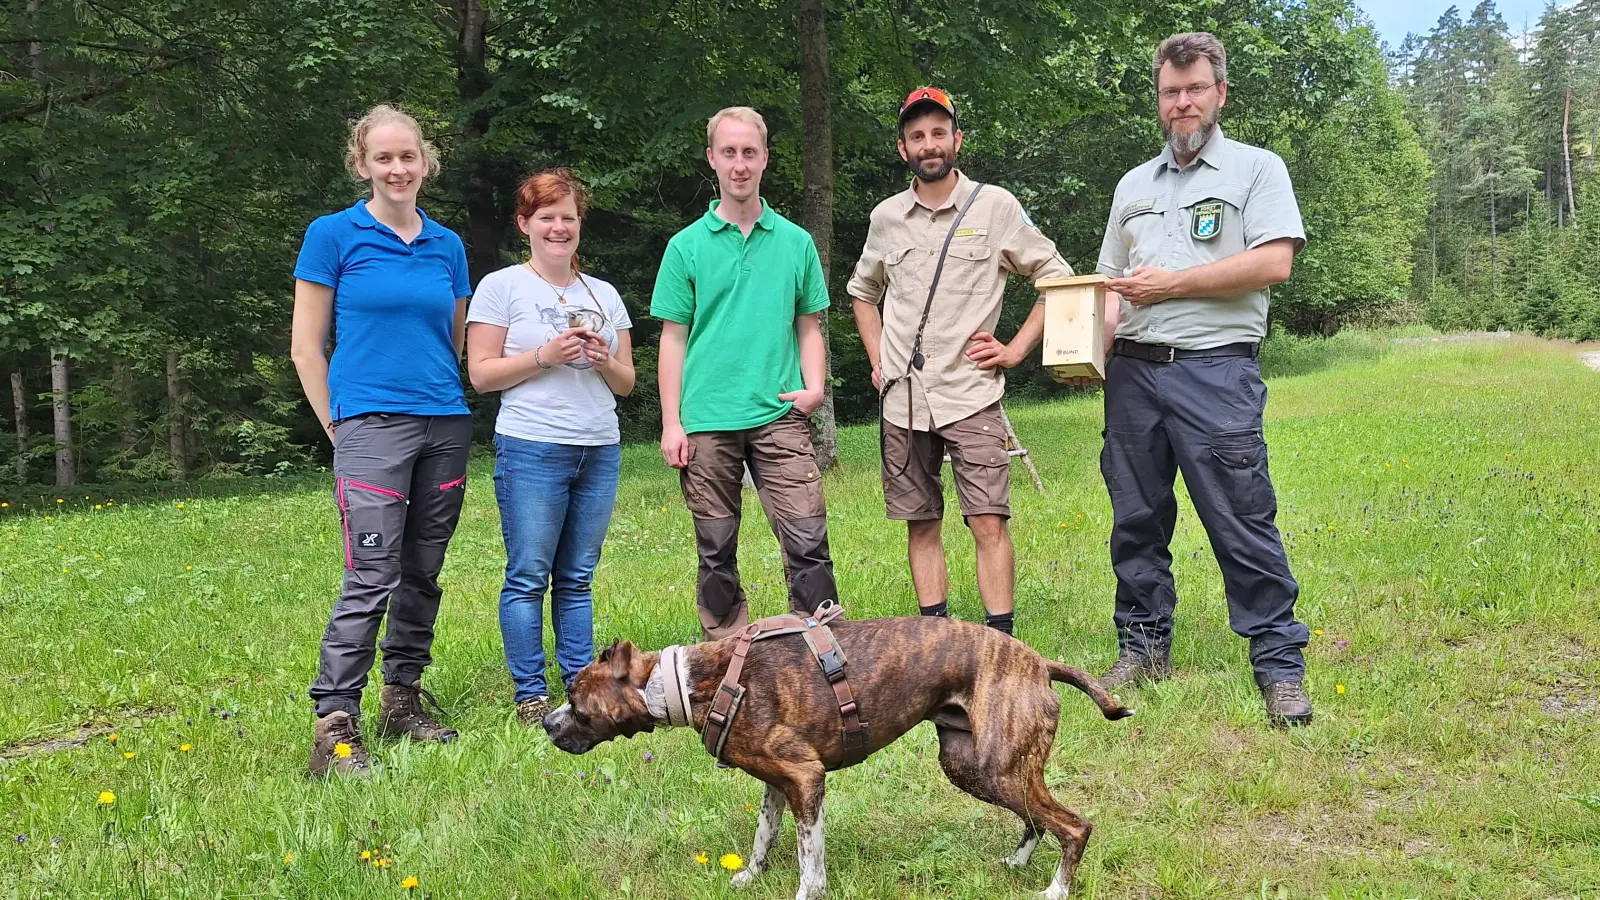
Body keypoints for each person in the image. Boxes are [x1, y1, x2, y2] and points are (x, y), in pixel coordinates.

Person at [1094, 33, 1312, 726]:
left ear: (1219, 92)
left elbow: (1273, 262)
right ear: (1158, 100)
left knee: (1241, 518)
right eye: (1170, 91)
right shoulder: (1132, 185)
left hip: (1216, 371)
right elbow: (1111, 286)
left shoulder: (1257, 170)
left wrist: (1171, 288)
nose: (1182, 102)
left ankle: (1278, 664)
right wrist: (1089, 351)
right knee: (1136, 519)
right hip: (1133, 375)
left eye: (1194, 89)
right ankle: (1143, 646)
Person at [848, 87, 1074, 636]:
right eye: (917, 136)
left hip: (972, 394)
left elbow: (1058, 277)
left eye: (938, 133)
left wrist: (1015, 350)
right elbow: (862, 292)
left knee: (987, 520)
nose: (929, 145)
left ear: (957, 140)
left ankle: (1000, 639)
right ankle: (934, 639)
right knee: (920, 522)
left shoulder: (995, 207)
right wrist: (879, 361)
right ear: (903, 149)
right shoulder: (886, 218)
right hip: (903, 401)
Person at [290, 105, 473, 777]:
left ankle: (402, 700)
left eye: (408, 157)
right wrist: (337, 427)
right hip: (369, 426)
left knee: (422, 572)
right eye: (383, 158)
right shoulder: (333, 235)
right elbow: (306, 347)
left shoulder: (447, 245)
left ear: (426, 162)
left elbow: (451, 337)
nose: (398, 169)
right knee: (371, 574)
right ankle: (335, 728)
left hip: (443, 423)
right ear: (362, 165)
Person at [652, 106, 836, 640]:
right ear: (712, 159)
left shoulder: (795, 242)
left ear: (764, 160)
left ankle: (823, 647)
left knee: (807, 538)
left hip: (779, 412)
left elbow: (808, 325)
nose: (739, 164)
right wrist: (671, 422)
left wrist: (815, 388)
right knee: (716, 548)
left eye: (749, 152)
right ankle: (726, 653)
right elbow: (673, 338)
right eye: (728, 152)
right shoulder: (685, 246)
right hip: (706, 418)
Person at [466, 168, 634, 725]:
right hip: (532, 445)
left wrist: (600, 357)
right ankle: (529, 693)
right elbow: (482, 374)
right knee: (528, 575)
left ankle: (580, 686)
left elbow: (627, 382)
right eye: (546, 218)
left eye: (568, 217)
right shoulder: (502, 287)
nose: (558, 227)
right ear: (525, 224)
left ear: (579, 224)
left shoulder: (603, 294)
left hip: (598, 445)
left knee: (577, 577)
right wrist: (547, 356)